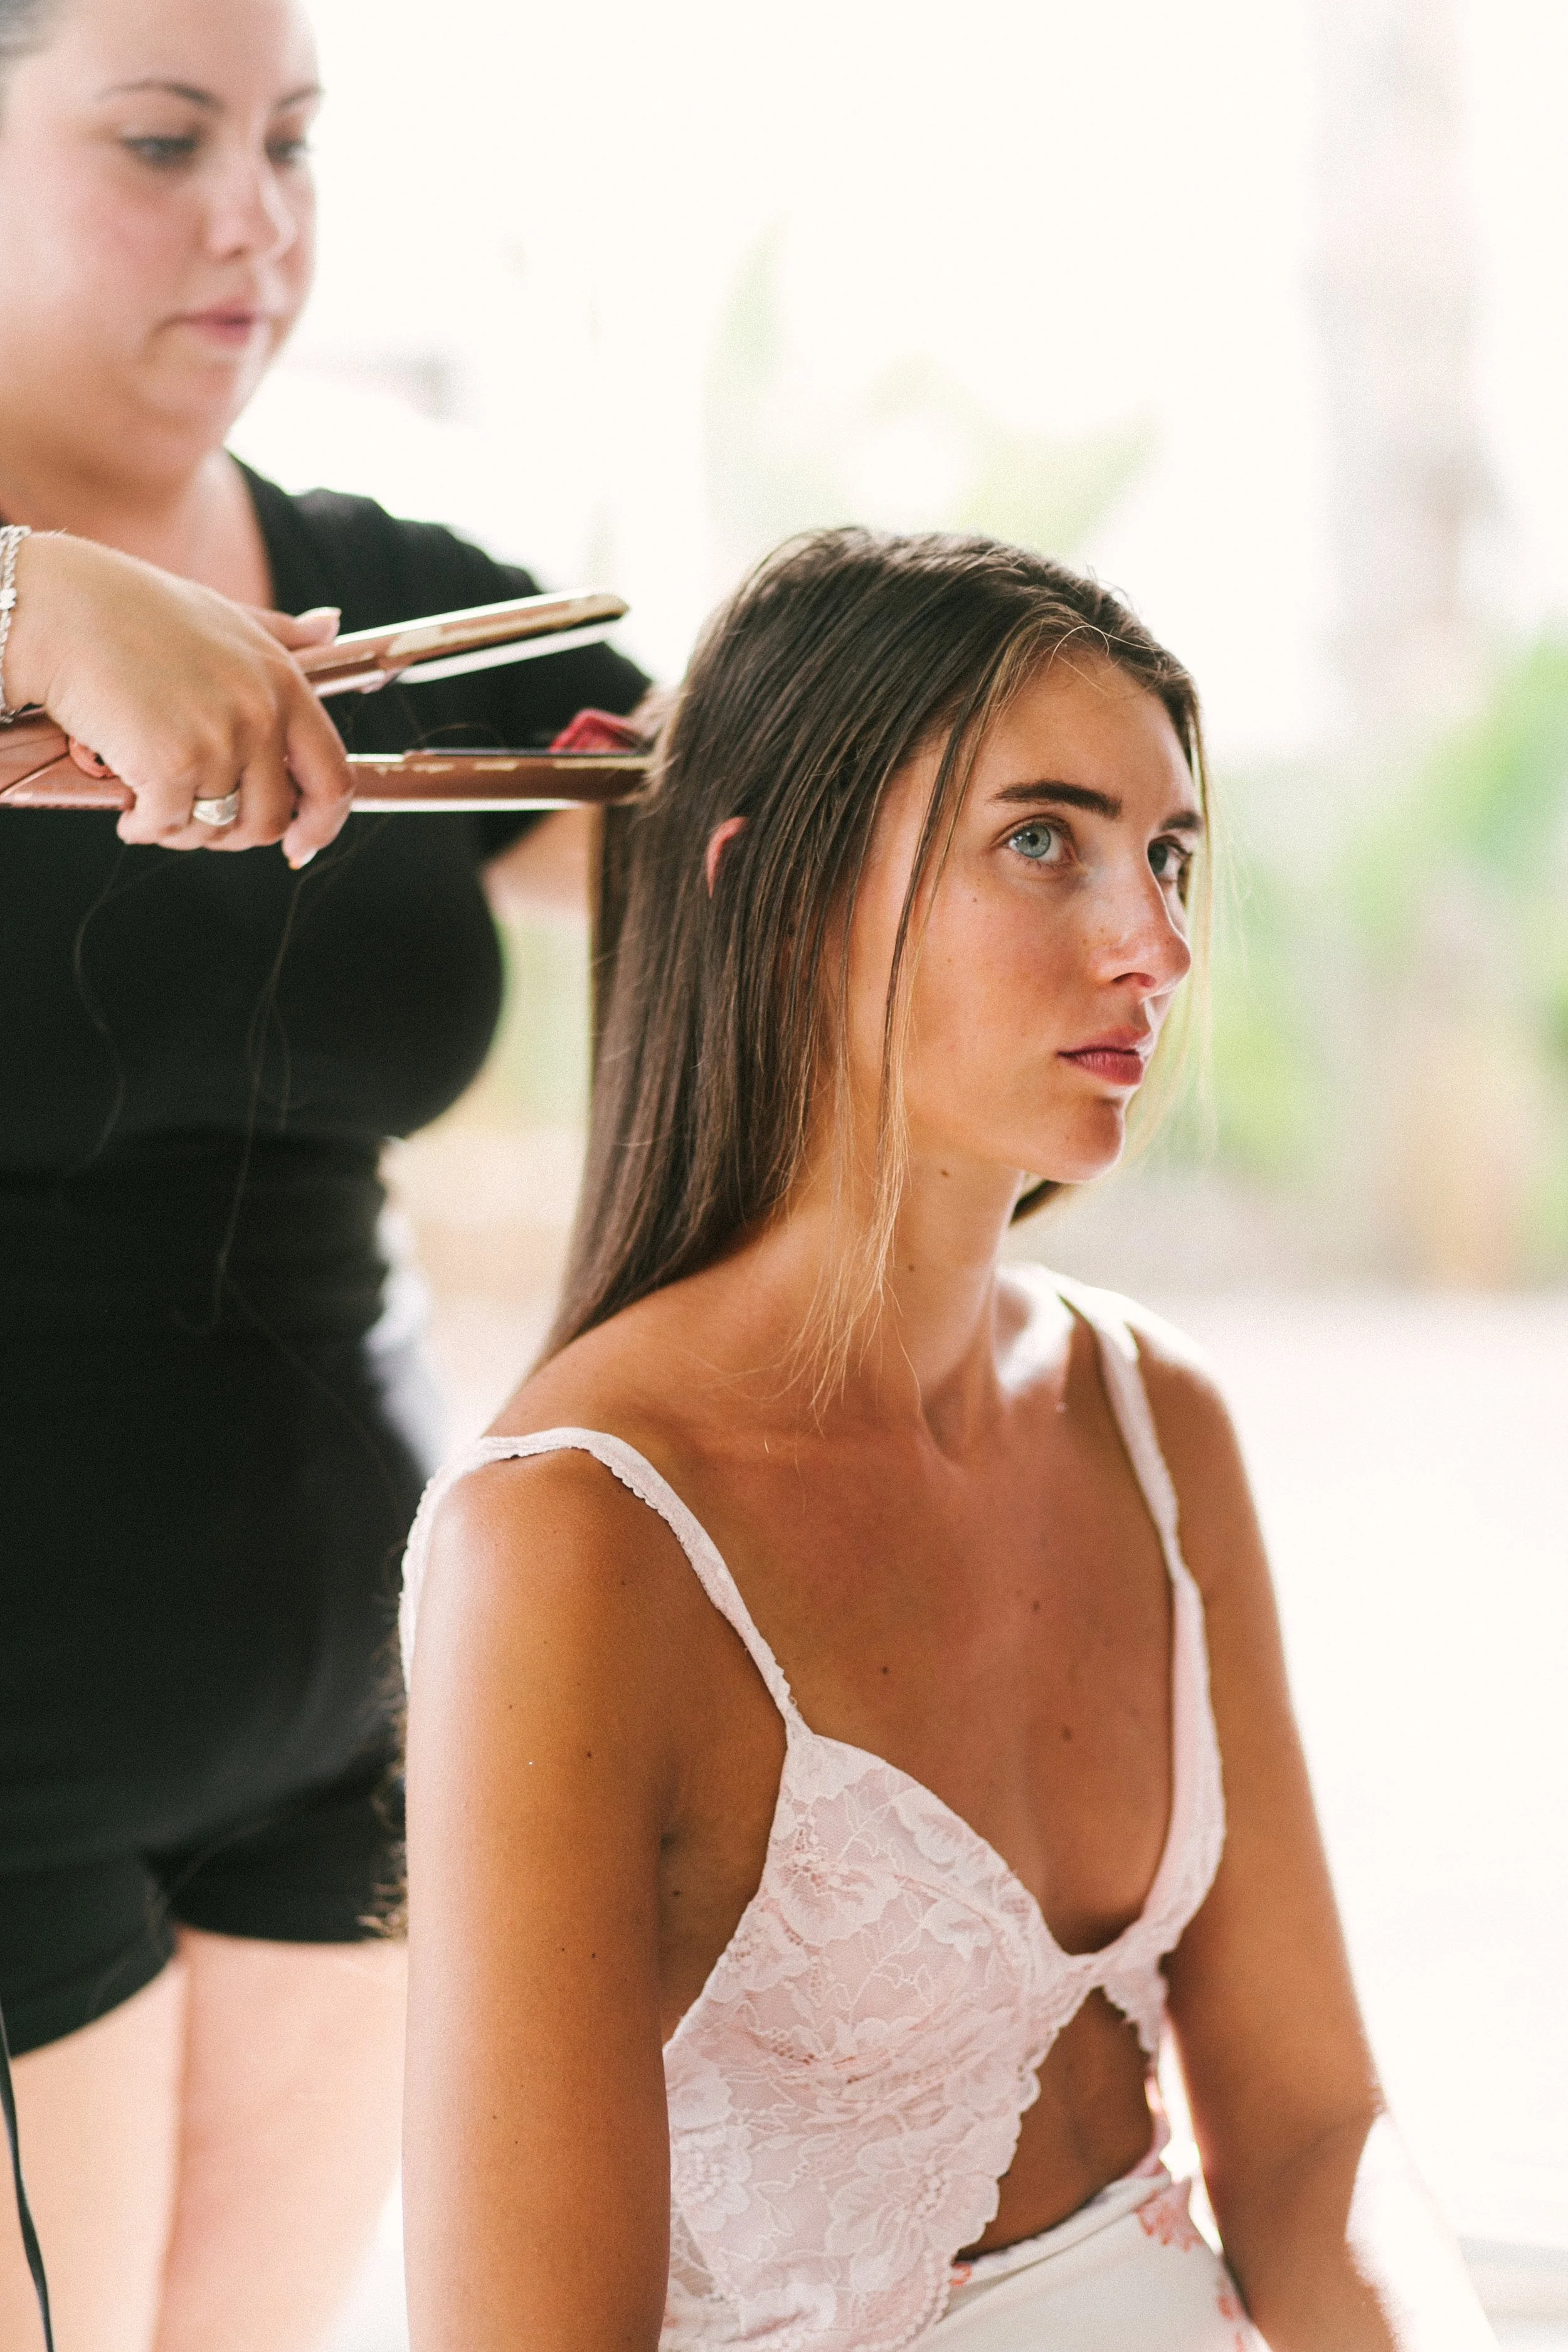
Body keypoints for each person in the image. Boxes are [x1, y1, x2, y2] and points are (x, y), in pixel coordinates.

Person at [400, 529, 1498, 2351]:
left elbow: (1306, 2135)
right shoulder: (574, 1544)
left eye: (1167, 854)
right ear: (771, 886)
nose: (1151, 941)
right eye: (1041, 840)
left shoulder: (1150, 1422)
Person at [0, 0, 647, 2345]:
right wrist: (28, 595)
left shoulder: (398, 602)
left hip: (351, 1727)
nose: (251, 216)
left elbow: (734, 849)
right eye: (162, 140)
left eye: (291, 142)